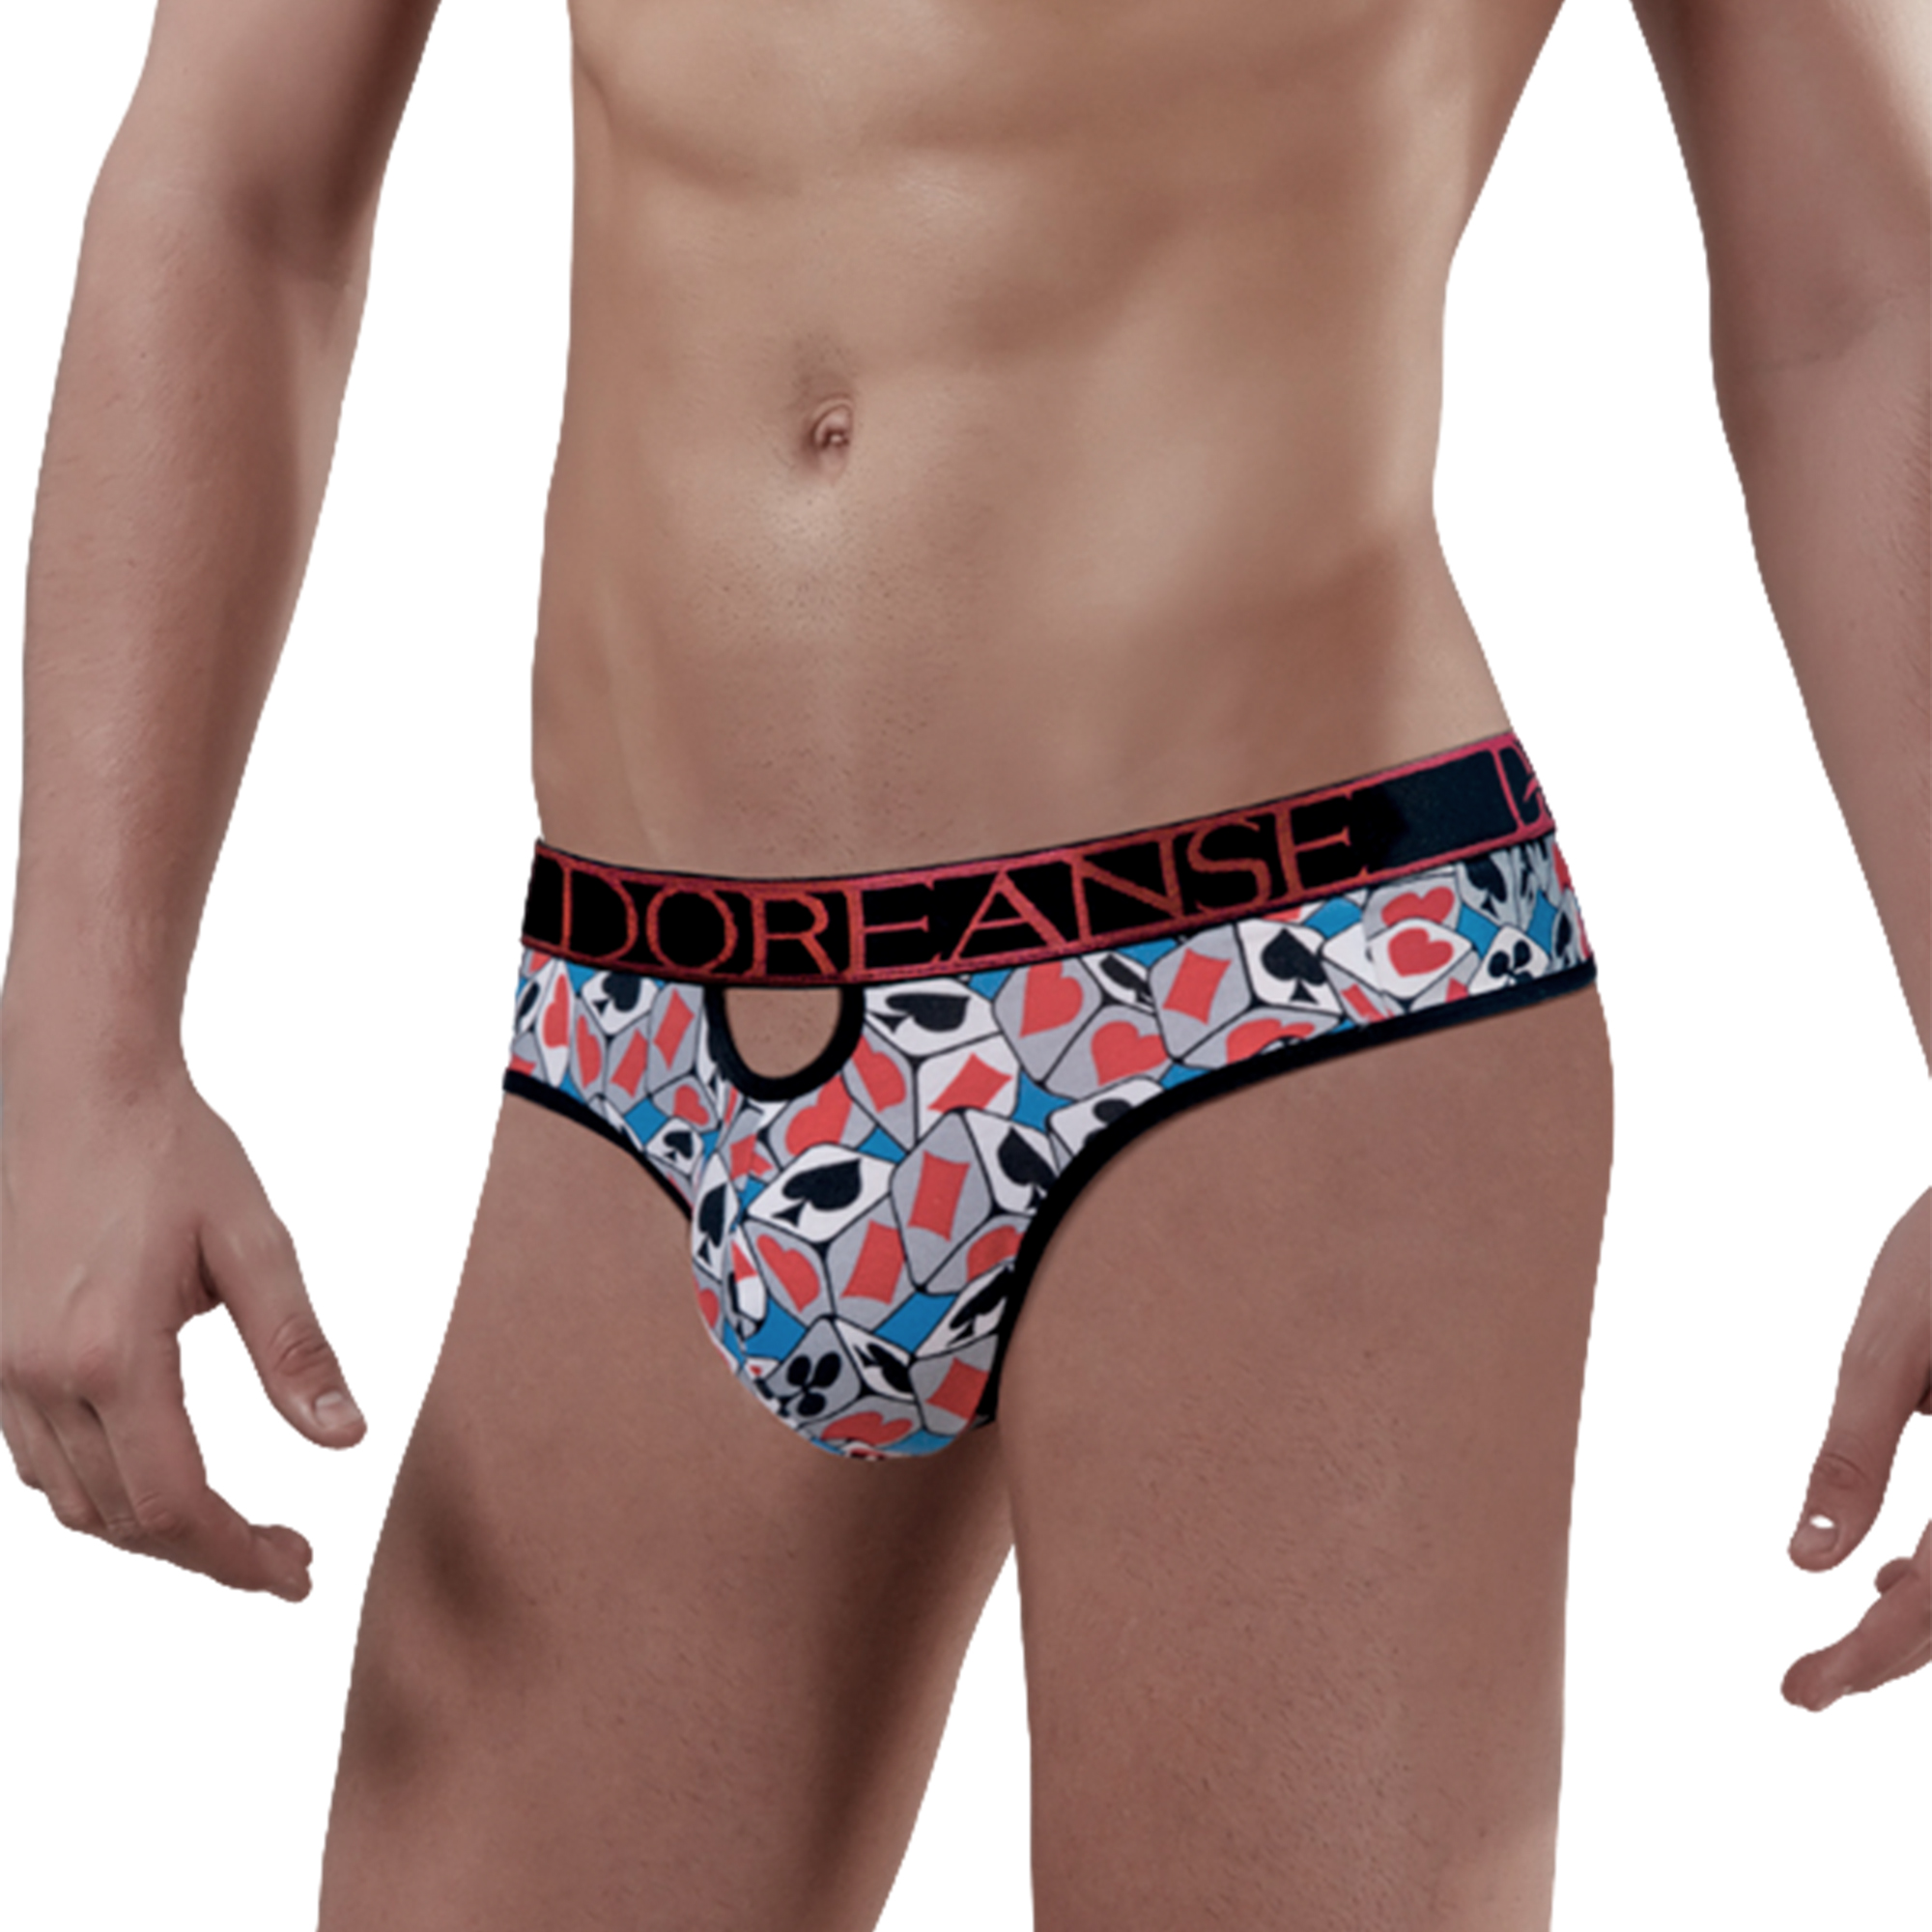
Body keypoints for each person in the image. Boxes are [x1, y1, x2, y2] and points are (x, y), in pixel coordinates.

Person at [0, 0, 1923, 1926]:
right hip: (641, 1019)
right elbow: (233, 183)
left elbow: (1857, 293)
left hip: (1270, 980)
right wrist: (76, 1047)